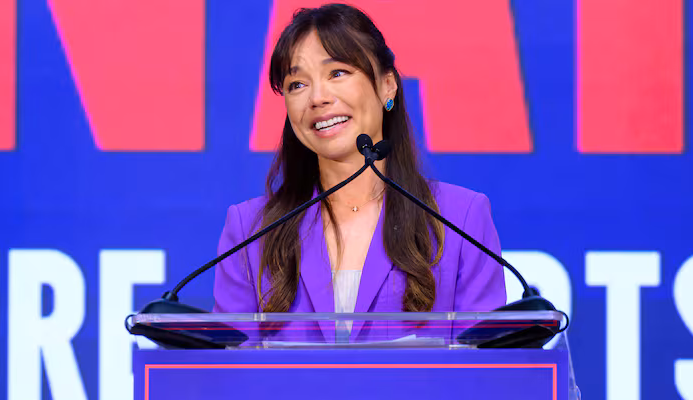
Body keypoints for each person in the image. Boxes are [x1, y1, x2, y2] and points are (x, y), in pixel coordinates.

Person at [213, 4, 505, 341]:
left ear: (387, 86)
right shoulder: (251, 231)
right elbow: (227, 377)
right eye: (297, 84)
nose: (318, 98)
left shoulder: (460, 219)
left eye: (337, 73)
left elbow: (490, 374)